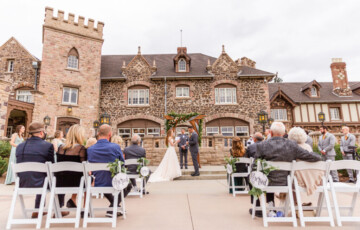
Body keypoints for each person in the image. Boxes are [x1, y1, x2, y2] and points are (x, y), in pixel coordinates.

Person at [253, 122, 321, 209]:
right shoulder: (292, 145)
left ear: (270, 132)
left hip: (267, 182)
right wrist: (319, 157)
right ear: (284, 133)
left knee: (259, 175)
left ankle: (265, 205)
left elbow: (254, 166)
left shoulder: (261, 146)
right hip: (287, 181)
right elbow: (309, 156)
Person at [87, 124, 131, 218]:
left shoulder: (90, 149)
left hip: (97, 182)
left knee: (103, 179)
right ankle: (113, 208)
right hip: (113, 181)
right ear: (110, 134)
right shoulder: (115, 147)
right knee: (128, 184)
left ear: (98, 133)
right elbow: (122, 164)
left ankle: (113, 206)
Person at [16, 122, 54, 218]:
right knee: (49, 177)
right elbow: (51, 166)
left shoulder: (20, 146)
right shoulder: (48, 146)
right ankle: (57, 210)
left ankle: (38, 209)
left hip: (21, 183)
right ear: (41, 133)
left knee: (39, 175)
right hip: (41, 183)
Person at [56, 125, 87, 210]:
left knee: (66, 175)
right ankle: (85, 209)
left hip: (60, 182)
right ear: (80, 135)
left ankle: (61, 207)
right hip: (76, 182)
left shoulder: (60, 148)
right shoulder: (81, 149)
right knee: (88, 179)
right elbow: (84, 167)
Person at [288, 127, 325, 196]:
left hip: (298, 178)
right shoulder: (307, 146)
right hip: (311, 176)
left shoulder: (291, 148)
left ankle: (295, 202)